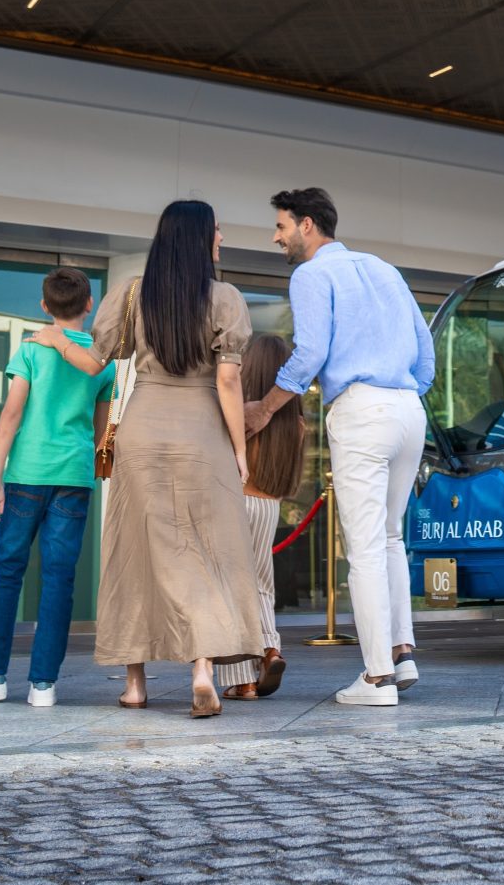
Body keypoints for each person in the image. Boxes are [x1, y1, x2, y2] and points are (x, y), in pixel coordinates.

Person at [43, 201, 264, 718]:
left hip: (142, 430)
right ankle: (202, 671)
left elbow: (98, 360)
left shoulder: (133, 292)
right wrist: (239, 447)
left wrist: (53, 338)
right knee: (205, 550)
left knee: (136, 551)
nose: (222, 238)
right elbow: (229, 381)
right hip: (202, 431)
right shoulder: (225, 298)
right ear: (200, 238)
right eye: (216, 231)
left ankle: (136, 684)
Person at [245, 187, 435, 707]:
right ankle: (400, 652)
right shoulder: (384, 269)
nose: (276, 236)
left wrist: (264, 407)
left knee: (367, 548)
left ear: (307, 225)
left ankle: (376, 680)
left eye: (281, 226)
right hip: (407, 408)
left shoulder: (311, 274)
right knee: (392, 539)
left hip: (362, 408)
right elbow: (427, 353)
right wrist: (401, 391)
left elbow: (311, 353)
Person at [0, 266, 115, 709]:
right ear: (89, 305)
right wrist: (81, 466)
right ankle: (43, 685)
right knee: (59, 579)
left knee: (7, 571)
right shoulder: (102, 358)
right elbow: (102, 428)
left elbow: (11, 414)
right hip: (72, 478)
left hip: (26, 475)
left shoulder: (31, 348)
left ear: (44, 306)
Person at [215, 332, 307, 701]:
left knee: (230, 588)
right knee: (261, 585)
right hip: (270, 505)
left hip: (235, 501)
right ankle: (270, 649)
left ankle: (243, 680)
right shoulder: (295, 424)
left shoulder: (241, 413)